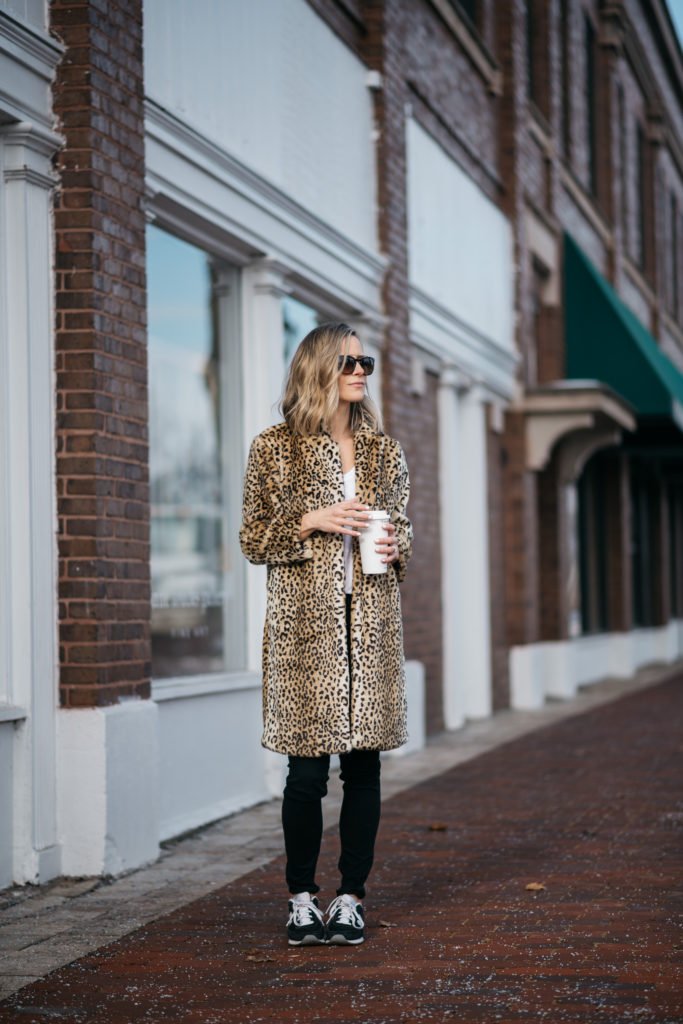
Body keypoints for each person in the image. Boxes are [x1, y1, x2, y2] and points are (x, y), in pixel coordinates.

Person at [239, 321, 412, 946]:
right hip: (303, 633)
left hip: (368, 627)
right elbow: (253, 538)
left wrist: (395, 546)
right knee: (306, 776)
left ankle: (351, 896)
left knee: (363, 769)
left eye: (366, 361)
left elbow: (403, 528)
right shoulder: (273, 448)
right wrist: (311, 519)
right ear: (318, 369)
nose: (361, 371)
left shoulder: (384, 451)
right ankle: (301, 897)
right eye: (348, 362)